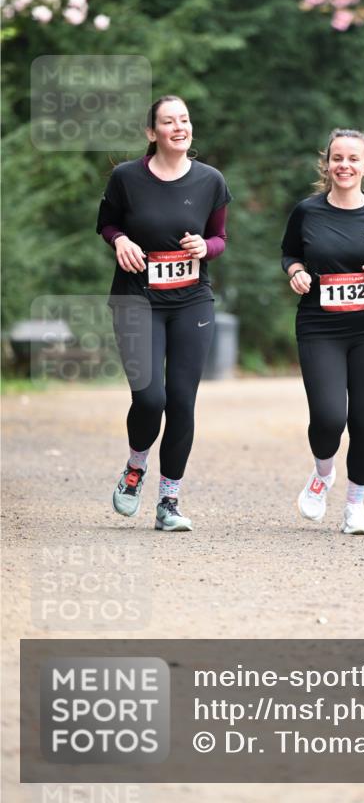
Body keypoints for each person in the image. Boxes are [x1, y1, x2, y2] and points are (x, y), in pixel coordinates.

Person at [96, 95, 231, 532]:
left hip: (191, 300)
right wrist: (120, 241)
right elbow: (107, 223)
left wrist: (204, 248)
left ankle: (169, 501)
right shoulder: (126, 178)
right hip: (136, 298)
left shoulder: (211, 180)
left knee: (182, 402)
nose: (179, 127)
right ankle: (136, 468)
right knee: (149, 398)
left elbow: (220, 238)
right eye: (168, 121)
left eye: (185, 120)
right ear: (152, 132)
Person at [281, 128, 364, 535]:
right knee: (328, 417)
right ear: (327, 163)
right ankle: (323, 474)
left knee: (363, 421)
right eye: (337, 158)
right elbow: (290, 253)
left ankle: (356, 505)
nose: (345, 166)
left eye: (353, 159)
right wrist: (297, 272)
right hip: (320, 326)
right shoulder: (307, 212)